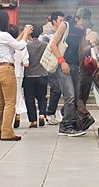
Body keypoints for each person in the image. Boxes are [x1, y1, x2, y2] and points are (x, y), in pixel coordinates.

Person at [0, 11, 32, 142]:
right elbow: (20, 46)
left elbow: (12, 46)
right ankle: (7, 132)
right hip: (7, 70)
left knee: (0, 102)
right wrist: (26, 34)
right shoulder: (4, 35)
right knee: (10, 102)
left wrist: (23, 33)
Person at [49, 7, 95, 137]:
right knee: (70, 96)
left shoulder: (83, 30)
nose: (83, 25)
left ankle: (67, 123)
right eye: (82, 22)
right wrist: (62, 61)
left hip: (75, 65)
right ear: (76, 18)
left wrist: (92, 45)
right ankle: (68, 126)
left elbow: (81, 48)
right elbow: (53, 44)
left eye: (85, 23)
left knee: (76, 96)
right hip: (63, 64)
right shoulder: (65, 25)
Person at [23, 24, 48, 127]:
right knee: (42, 97)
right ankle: (42, 114)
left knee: (29, 98)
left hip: (29, 75)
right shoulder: (45, 45)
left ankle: (33, 120)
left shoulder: (26, 45)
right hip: (42, 74)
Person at [42, 11, 65, 124]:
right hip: (52, 66)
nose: (62, 22)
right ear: (54, 22)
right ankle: (50, 113)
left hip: (62, 65)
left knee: (58, 89)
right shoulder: (47, 36)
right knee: (57, 88)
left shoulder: (64, 33)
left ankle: (54, 112)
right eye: (60, 20)